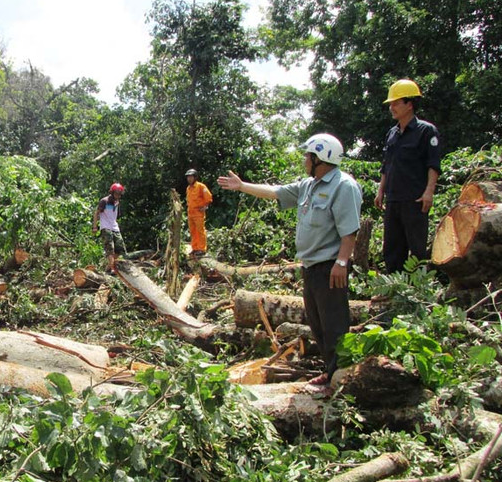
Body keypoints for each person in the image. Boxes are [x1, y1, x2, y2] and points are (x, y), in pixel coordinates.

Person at [217, 134, 363, 386]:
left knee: (334, 325)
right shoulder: (309, 185)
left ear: (320, 158)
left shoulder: (343, 186)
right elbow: (276, 192)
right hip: (310, 267)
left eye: (308, 156)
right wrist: (242, 186)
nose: (305, 159)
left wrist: (342, 263)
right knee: (318, 324)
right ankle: (331, 373)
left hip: (330, 267)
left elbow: (349, 230)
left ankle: (342, 379)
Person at [374, 79, 442, 273]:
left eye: (396, 103)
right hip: (393, 199)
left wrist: (429, 192)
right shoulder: (392, 134)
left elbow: (433, 165)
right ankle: (393, 291)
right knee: (392, 248)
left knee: (417, 248)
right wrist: (381, 190)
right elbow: (387, 165)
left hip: (415, 200)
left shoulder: (426, 131)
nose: (392, 107)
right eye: (391, 104)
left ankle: (417, 290)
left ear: (409, 104)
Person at [92, 183, 127, 273]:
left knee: (120, 248)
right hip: (106, 227)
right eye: (117, 193)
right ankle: (113, 269)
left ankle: (110, 267)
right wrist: (95, 227)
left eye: (120, 194)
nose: (118, 195)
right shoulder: (104, 201)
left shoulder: (117, 202)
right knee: (110, 248)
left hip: (115, 227)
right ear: (112, 192)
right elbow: (96, 213)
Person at [185, 169, 213, 256]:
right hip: (190, 212)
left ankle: (202, 249)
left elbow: (208, 197)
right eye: (188, 177)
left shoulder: (201, 186)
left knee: (200, 230)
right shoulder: (188, 188)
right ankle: (195, 248)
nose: (189, 179)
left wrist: (205, 206)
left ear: (195, 177)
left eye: (191, 177)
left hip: (198, 212)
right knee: (193, 231)